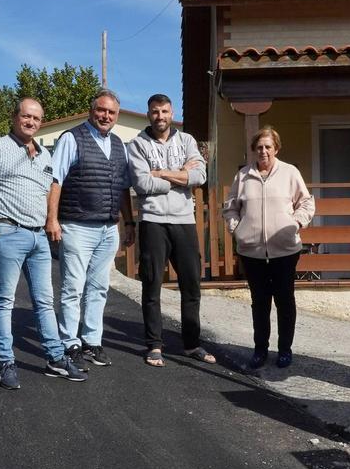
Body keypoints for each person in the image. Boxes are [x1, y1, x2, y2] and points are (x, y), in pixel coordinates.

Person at [0, 98, 88, 389]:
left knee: (45, 301)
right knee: (5, 301)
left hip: (38, 237)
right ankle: (6, 362)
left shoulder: (45, 155)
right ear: (14, 117)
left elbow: (48, 193)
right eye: (26, 116)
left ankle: (55, 359)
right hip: (7, 232)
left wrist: (48, 222)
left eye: (37, 118)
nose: (31, 122)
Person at [46, 88, 136, 371]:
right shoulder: (71, 139)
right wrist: (52, 219)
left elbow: (123, 188)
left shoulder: (120, 145)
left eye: (111, 112)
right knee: (73, 288)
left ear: (117, 116)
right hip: (76, 226)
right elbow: (55, 180)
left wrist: (128, 221)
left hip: (108, 228)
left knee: (98, 288)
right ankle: (69, 343)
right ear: (91, 110)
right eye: (101, 110)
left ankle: (91, 341)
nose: (105, 115)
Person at [127, 93, 216, 367]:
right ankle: (154, 345)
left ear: (171, 111)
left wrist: (162, 173)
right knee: (152, 285)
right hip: (153, 221)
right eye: (155, 112)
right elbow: (142, 184)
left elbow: (199, 177)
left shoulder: (187, 140)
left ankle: (192, 344)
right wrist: (179, 175)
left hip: (184, 221)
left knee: (191, 285)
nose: (160, 117)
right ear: (148, 114)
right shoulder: (137, 144)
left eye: (165, 111)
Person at [222, 126, 316, 369]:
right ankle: (260, 349)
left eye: (268, 147)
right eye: (259, 147)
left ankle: (284, 349)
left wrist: (295, 223)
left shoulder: (290, 172)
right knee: (259, 302)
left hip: (285, 250)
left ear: (276, 149)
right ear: (253, 150)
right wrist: (236, 226)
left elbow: (306, 202)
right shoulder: (243, 176)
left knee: (285, 301)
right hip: (251, 252)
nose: (263, 151)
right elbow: (230, 206)